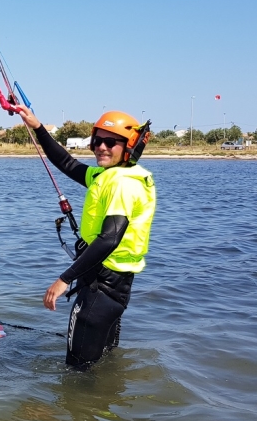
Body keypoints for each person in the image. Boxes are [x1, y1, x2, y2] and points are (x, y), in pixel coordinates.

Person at [18, 107, 157, 369]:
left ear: (129, 146)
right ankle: (103, 405)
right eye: (97, 141)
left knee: (76, 372)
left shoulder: (122, 183)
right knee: (102, 363)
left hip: (101, 286)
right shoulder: (110, 175)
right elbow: (67, 163)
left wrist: (63, 280)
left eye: (110, 142)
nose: (100, 148)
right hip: (115, 284)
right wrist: (38, 127)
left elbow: (109, 238)